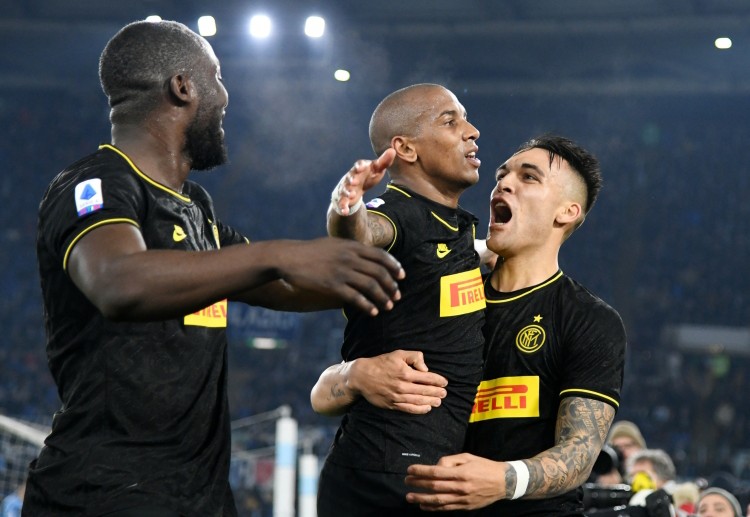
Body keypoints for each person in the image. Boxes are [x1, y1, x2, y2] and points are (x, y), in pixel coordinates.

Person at [23, 20, 404, 517]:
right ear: (183, 87)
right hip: (102, 495)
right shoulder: (93, 183)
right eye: (217, 77)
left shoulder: (195, 207)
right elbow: (118, 282)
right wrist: (278, 252)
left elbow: (292, 282)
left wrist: (377, 240)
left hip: (199, 497)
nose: (225, 96)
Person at [319, 135, 627, 515]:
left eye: (529, 177)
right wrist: (354, 375)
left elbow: (578, 455)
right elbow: (324, 394)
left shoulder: (589, 319)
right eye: (502, 175)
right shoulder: (439, 292)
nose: (504, 183)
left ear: (566, 212)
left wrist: (504, 480)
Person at [311, 83, 487, 516]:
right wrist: (346, 207)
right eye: (450, 121)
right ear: (405, 148)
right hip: (386, 475)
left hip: (419, 468)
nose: (472, 131)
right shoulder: (398, 213)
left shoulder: (451, 226)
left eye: (465, 118)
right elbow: (364, 236)